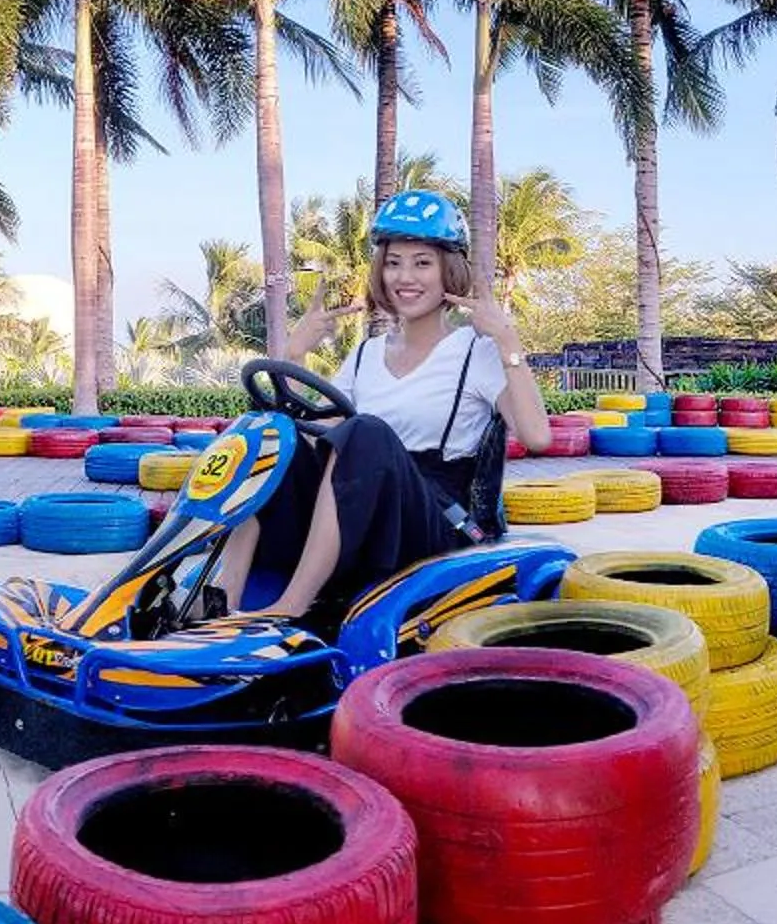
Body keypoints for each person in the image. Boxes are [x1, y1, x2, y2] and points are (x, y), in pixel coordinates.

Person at [209, 189, 554, 628]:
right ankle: (221, 597)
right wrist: (294, 353)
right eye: (393, 263)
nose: (404, 277)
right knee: (267, 432)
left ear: (449, 271)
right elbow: (315, 438)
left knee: (365, 432)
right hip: (362, 514)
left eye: (422, 263)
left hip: (437, 524)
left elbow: (537, 437)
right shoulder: (365, 354)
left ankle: (292, 606)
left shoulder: (477, 351)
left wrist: (508, 341)